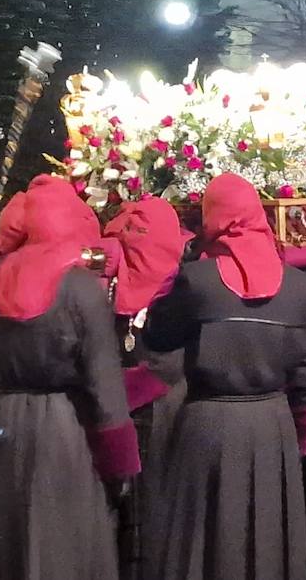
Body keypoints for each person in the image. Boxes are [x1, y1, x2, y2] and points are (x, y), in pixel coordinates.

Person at [143, 174, 306, 580]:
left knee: (203, 539)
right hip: (272, 423)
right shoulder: (301, 287)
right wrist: (300, 434)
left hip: (207, 422)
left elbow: (158, 335)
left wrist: (187, 262)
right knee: (266, 536)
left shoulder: (197, 280)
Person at [0, 175, 140, 580]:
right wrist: (121, 463)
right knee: (62, 539)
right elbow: (102, 382)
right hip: (63, 428)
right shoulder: (79, 287)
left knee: (7, 538)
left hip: (3, 422)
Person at [104, 198, 189, 580]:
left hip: (164, 403)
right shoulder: (116, 280)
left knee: (156, 496)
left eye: (142, 234)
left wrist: (114, 391)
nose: (133, 242)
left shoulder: (180, 286)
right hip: (124, 403)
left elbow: (170, 364)